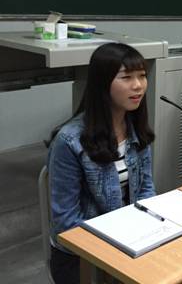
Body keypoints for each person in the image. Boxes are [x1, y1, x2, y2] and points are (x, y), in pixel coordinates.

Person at [46, 43, 156, 284]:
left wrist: (152, 228)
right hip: (81, 255)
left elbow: (146, 190)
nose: (138, 85)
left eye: (142, 76)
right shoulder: (69, 140)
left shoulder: (135, 128)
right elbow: (66, 222)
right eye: (127, 77)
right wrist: (122, 239)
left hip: (130, 240)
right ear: (102, 83)